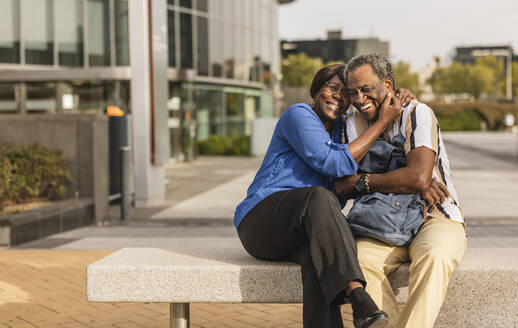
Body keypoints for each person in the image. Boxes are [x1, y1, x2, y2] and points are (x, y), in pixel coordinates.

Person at [235, 64, 409, 328]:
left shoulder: (344, 130)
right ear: (316, 90)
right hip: (260, 222)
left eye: (345, 94)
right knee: (319, 197)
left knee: (318, 263)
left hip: (300, 233)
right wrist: (384, 121)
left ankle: (357, 308)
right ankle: (360, 298)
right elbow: (333, 164)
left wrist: (398, 96)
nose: (338, 97)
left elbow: (373, 164)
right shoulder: (299, 115)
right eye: (331, 88)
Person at [334, 54, 467, 328]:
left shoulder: (416, 113)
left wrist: (367, 180)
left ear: (387, 84)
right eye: (353, 92)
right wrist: (406, 178)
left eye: (366, 89)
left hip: (434, 214)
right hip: (379, 222)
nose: (359, 98)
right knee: (357, 264)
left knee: (435, 256)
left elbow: (417, 177)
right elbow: (344, 181)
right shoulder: (351, 123)